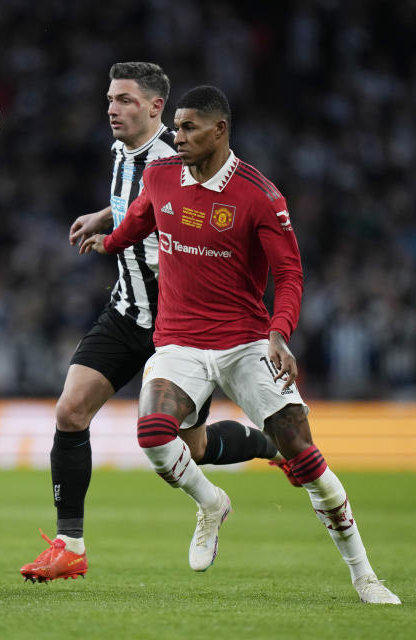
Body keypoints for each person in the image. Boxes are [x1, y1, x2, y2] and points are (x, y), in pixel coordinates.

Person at [81, 85, 401, 604]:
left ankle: (364, 576)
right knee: (155, 434)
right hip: (179, 340)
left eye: (188, 128)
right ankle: (211, 503)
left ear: (220, 129)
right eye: (176, 127)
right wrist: (110, 239)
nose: (176, 138)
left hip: (245, 341)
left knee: (303, 455)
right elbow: (143, 215)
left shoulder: (259, 195)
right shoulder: (161, 174)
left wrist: (279, 334)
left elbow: (290, 273)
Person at [19, 64, 281, 583]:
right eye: (109, 99)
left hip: (181, 325)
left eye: (125, 100)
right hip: (127, 310)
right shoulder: (124, 152)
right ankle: (70, 546)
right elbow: (142, 206)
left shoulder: (180, 160)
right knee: (71, 411)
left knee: (194, 449)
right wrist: (106, 215)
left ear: (157, 107)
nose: (112, 108)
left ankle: (269, 446)